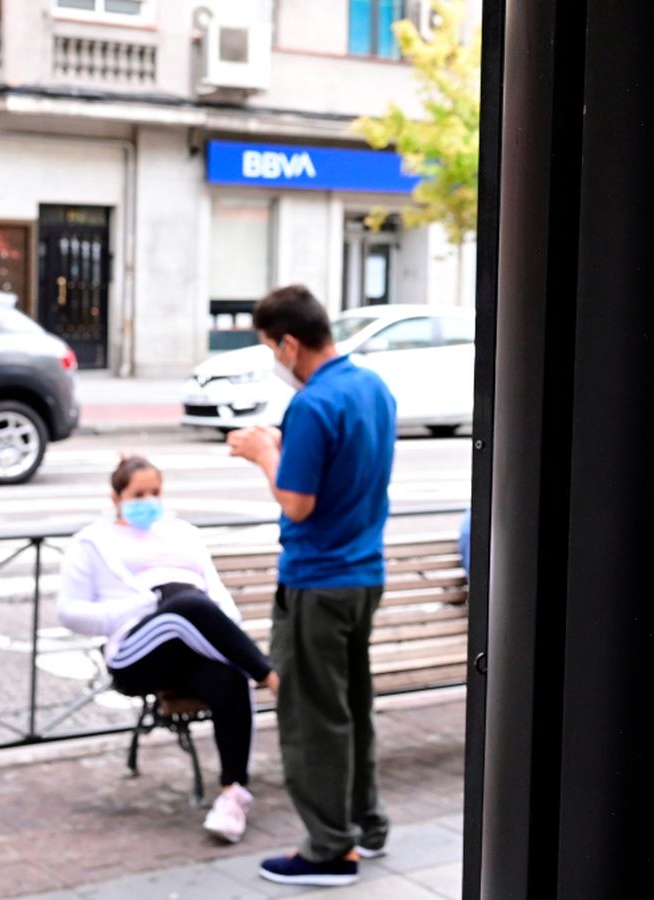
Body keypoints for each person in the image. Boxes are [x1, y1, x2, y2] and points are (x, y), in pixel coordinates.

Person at [227, 285, 397, 888]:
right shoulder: (372, 387)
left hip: (317, 583)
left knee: (313, 718)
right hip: (363, 574)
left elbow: (297, 503)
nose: (273, 358)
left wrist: (261, 452)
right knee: (352, 708)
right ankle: (365, 825)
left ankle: (329, 850)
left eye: (271, 346)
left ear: (290, 343)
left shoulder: (313, 404)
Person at [57, 455, 280, 844]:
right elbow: (70, 613)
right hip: (137, 652)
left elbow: (217, 595)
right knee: (185, 607)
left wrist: (228, 633)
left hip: (192, 644)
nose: (149, 501)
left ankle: (233, 795)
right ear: (116, 497)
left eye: (155, 493)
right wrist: (139, 607)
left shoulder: (183, 533)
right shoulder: (92, 542)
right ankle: (276, 679)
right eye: (138, 494)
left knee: (230, 679)